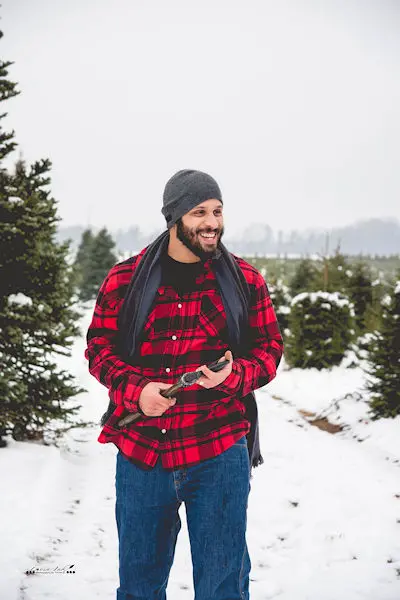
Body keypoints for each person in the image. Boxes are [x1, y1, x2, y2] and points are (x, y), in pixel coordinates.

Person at [85, 169, 284, 600]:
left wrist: (234, 375)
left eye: (217, 211)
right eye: (199, 212)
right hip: (142, 455)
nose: (212, 222)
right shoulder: (124, 280)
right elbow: (98, 350)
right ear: (173, 217)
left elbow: (269, 351)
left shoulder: (245, 282)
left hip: (218, 452)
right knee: (139, 587)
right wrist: (136, 389)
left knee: (222, 587)